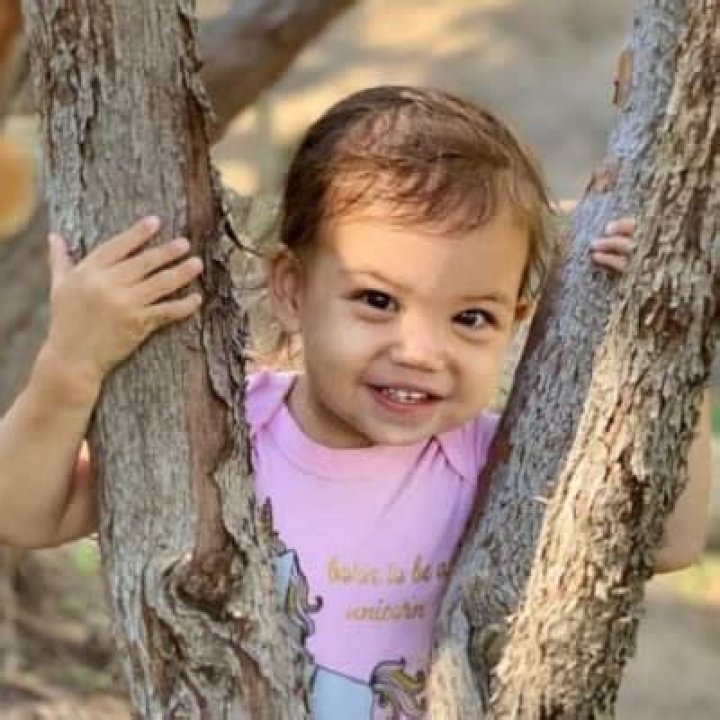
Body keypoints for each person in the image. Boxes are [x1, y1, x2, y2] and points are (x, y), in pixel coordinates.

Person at [0, 86, 710, 718]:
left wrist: (668, 345)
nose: (420, 350)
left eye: (471, 317)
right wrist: (71, 363)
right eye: (377, 300)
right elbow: (22, 511)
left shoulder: (494, 461)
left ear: (515, 321)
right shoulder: (229, 432)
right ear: (291, 289)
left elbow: (669, 540)